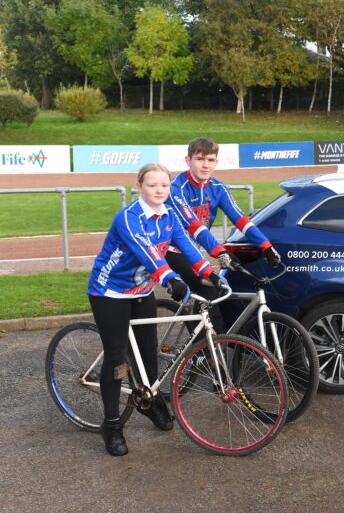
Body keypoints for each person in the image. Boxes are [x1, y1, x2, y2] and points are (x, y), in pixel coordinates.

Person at [87, 163, 221, 456]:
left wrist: (209, 273)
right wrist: (169, 278)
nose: (159, 190)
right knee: (116, 360)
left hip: (141, 291)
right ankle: (111, 426)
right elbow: (146, 250)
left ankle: (149, 402)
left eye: (164, 185)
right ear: (139, 186)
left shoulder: (169, 215)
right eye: (152, 185)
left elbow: (185, 245)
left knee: (149, 352)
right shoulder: (128, 217)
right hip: (110, 291)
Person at [166, 137, 281, 332]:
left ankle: (200, 340)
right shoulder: (177, 188)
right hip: (171, 250)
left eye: (210, 160)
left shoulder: (218, 188)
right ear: (188, 161)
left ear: (216, 163)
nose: (205, 165)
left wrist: (266, 246)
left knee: (215, 289)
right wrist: (219, 252)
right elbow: (195, 226)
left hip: (194, 250)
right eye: (200, 159)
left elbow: (241, 220)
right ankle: (208, 353)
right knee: (210, 287)